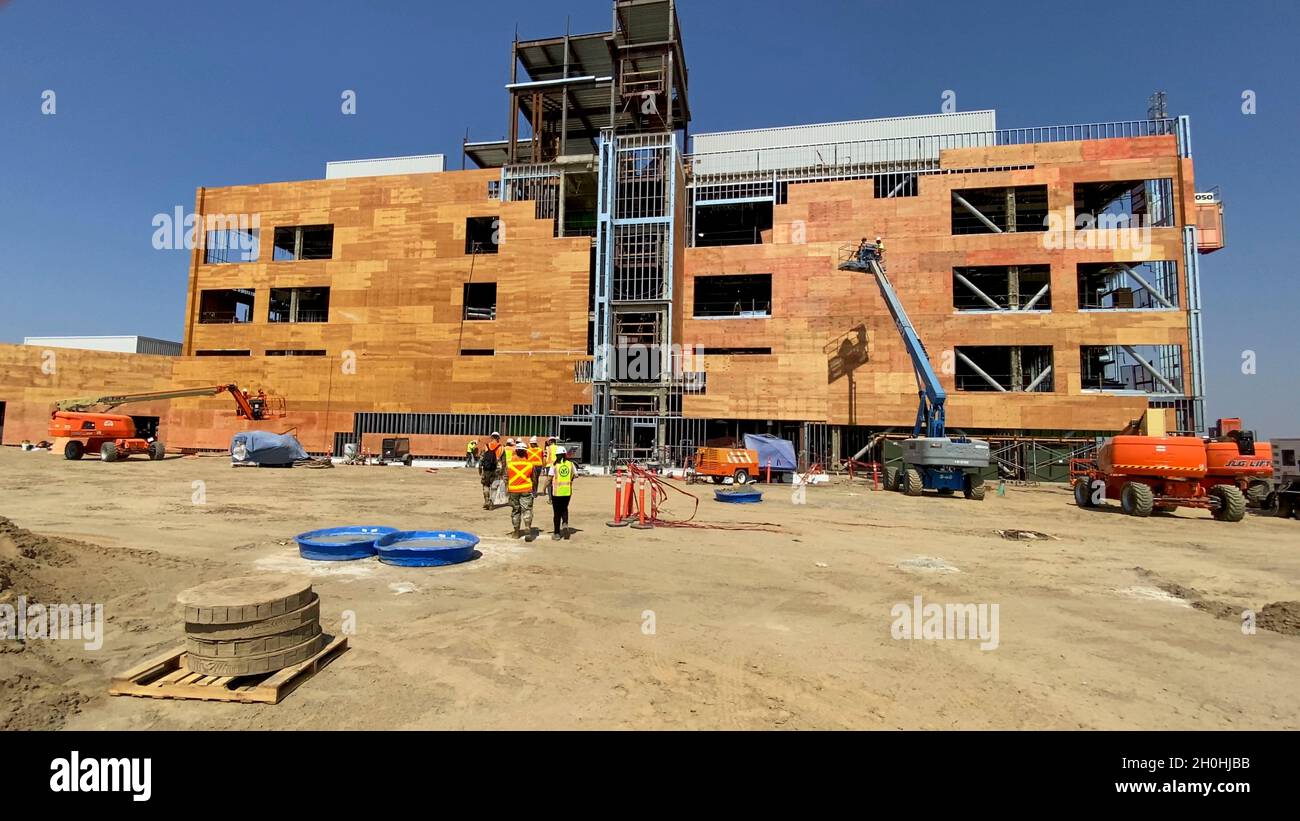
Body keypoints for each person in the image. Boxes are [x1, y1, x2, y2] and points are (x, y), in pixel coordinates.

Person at [506, 441, 537, 540]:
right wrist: (534, 490)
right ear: (525, 452)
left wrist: (507, 489)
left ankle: (516, 533)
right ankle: (527, 527)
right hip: (526, 490)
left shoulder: (510, 465)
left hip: (513, 490)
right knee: (527, 510)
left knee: (516, 511)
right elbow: (534, 479)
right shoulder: (530, 465)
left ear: (516, 452)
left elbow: (505, 478)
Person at [549, 446, 575, 540]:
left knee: (557, 512)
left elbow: (549, 478)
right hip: (567, 491)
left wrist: (544, 488)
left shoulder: (554, 465)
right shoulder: (571, 464)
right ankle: (565, 523)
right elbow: (574, 476)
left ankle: (556, 533)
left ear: (557, 455)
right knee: (564, 508)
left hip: (556, 492)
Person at [479, 433, 503, 510]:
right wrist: (502, 472)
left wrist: (480, 468)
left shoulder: (486, 446)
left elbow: (482, 458)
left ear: (491, 437)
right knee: (494, 487)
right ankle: (491, 503)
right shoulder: (502, 447)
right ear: (498, 438)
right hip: (496, 470)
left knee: (485, 485)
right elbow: (503, 461)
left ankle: (486, 500)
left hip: (486, 469)